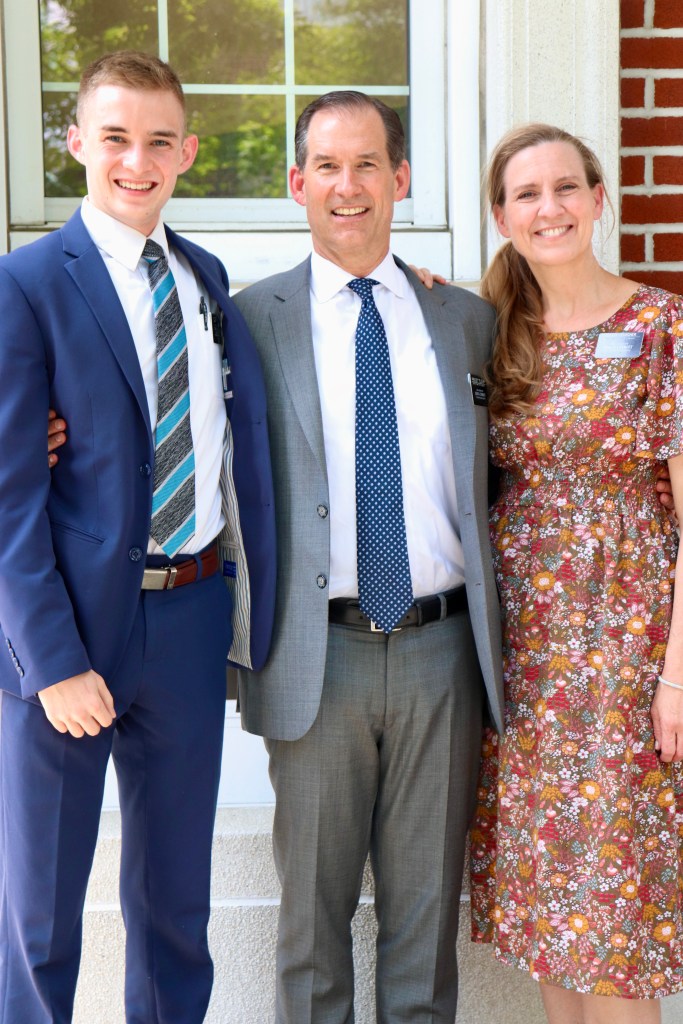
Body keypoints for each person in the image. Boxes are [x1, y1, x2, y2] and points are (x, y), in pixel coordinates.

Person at [0, 50, 275, 1024]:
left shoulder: (204, 277)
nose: (137, 161)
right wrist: (52, 662)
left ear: (187, 152)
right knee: (40, 915)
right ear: (76, 141)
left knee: (174, 909)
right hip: (70, 631)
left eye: (160, 141)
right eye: (115, 137)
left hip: (189, 615)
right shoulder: (27, 283)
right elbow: (8, 500)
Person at [230, 91, 504, 1023]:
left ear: (401, 178)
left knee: (424, 935)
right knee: (310, 933)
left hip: (442, 654)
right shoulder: (247, 321)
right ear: (297, 182)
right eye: (327, 166)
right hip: (317, 656)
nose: (347, 186)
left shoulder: (463, 319)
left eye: (367, 165)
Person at [468, 123, 683, 1024]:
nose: (548, 208)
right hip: (524, 653)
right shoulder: (490, 333)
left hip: (629, 646)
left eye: (565, 187)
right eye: (526, 194)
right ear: (501, 216)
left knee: (614, 910)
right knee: (550, 897)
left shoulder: (661, 325)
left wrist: (675, 675)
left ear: (598, 199)